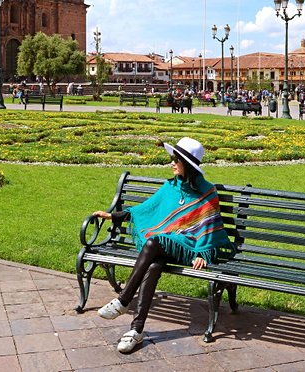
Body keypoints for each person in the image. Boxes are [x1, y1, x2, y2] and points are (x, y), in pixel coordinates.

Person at [93, 137, 234, 353]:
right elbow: (145, 209)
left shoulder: (207, 192)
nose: (172, 163)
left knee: (154, 242)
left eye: (176, 160)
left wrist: (202, 253)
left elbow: (210, 226)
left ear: (187, 164)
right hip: (164, 246)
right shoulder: (170, 186)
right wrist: (114, 216)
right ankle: (136, 331)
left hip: (187, 248)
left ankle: (123, 301)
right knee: (154, 264)